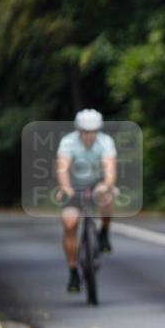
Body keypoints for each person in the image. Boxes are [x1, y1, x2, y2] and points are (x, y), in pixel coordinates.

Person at [55, 109, 119, 293]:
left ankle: (104, 232)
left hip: (97, 184)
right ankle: (74, 271)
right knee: (70, 223)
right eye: (85, 131)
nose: (89, 135)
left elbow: (110, 168)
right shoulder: (68, 142)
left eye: (92, 131)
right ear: (79, 130)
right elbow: (62, 167)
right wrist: (66, 188)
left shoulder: (106, 142)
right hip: (74, 186)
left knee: (108, 196)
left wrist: (106, 184)